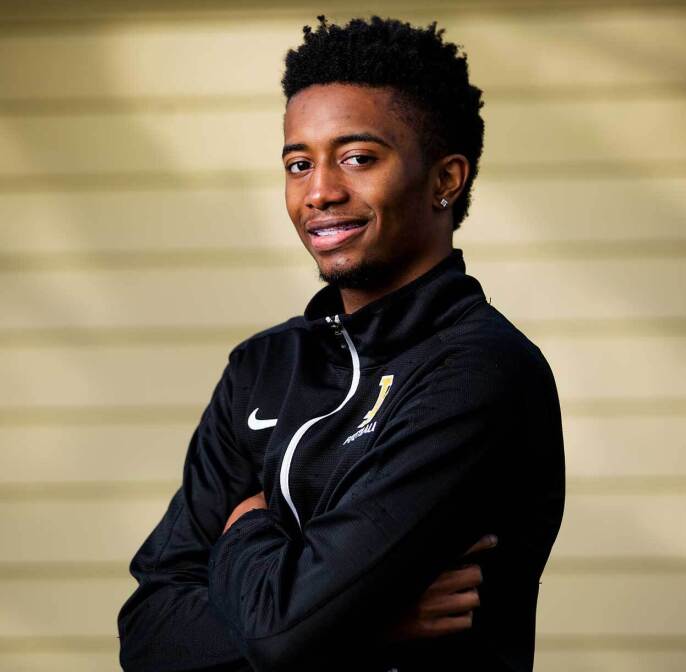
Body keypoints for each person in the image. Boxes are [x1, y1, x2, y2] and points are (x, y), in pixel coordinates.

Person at [117, 15, 565, 671]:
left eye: (358, 157)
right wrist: (369, 617)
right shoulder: (264, 367)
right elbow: (150, 637)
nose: (320, 191)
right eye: (299, 163)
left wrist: (245, 528)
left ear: (446, 179)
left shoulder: (480, 370)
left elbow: (284, 632)